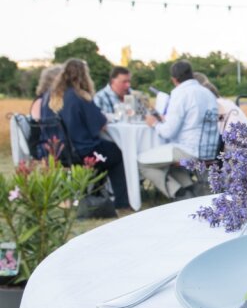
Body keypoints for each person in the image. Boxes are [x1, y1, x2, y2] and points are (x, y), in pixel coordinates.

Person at [43, 58, 130, 209]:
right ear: (84, 76)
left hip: (60, 153)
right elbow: (100, 123)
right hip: (83, 152)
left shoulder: (52, 97)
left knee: (106, 153)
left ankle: (93, 193)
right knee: (117, 154)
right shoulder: (79, 97)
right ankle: (121, 202)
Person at [138, 60, 217, 199]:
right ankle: (189, 189)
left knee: (142, 162)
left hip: (189, 151)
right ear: (191, 75)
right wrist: (165, 120)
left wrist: (155, 123)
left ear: (174, 79)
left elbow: (169, 132)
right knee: (165, 158)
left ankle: (179, 193)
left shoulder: (180, 93)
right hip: (209, 151)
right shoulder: (207, 93)